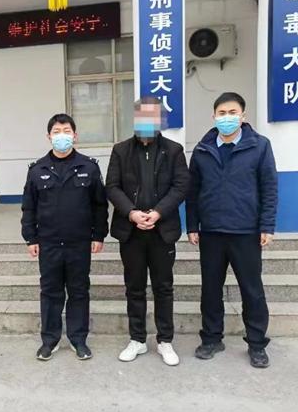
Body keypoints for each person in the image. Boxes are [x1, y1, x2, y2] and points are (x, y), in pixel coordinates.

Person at [186, 92, 278, 369]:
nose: (227, 118)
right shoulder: (202, 150)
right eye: (222, 113)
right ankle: (212, 338)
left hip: (246, 232)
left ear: (243, 115)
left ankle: (257, 344)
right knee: (210, 290)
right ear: (214, 116)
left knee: (252, 291)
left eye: (232, 112)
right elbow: (193, 192)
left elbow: (269, 188)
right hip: (211, 232)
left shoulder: (259, 146)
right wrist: (192, 225)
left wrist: (267, 225)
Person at [106, 97, 189, 366]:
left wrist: (158, 212)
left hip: (161, 230)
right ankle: (137, 339)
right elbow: (112, 187)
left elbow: (181, 186)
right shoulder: (120, 150)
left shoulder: (174, 150)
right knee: (135, 287)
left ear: (161, 120)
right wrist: (131, 213)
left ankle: (165, 340)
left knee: (163, 288)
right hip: (131, 232)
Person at [21, 113, 108, 361]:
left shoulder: (88, 167)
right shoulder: (37, 170)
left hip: (79, 242)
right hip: (48, 243)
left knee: (79, 291)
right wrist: (31, 238)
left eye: (66, 131)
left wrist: (98, 235)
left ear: (75, 135)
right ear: (49, 136)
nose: (62, 136)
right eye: (57, 132)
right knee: (50, 292)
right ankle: (49, 340)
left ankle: (78, 340)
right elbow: (29, 208)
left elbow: (100, 206)